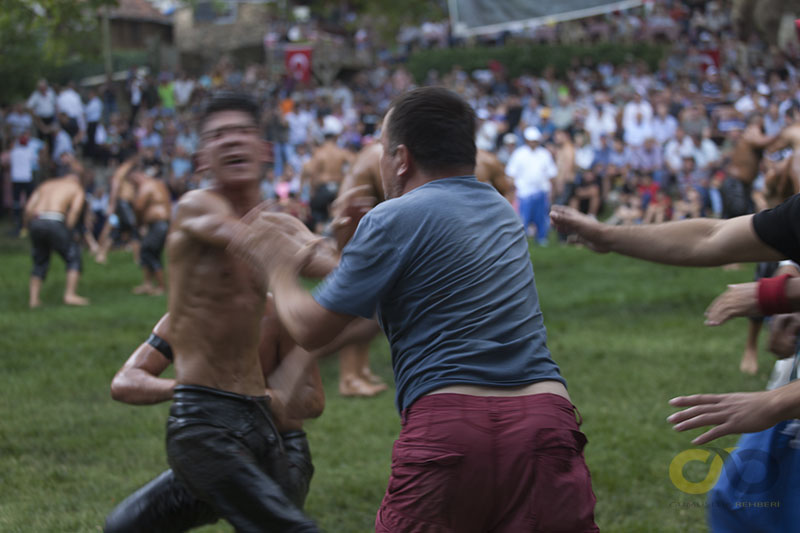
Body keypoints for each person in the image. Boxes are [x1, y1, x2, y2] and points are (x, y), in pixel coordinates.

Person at [234, 87, 598, 532]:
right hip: (546, 421)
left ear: (401, 158)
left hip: (451, 424)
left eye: (383, 151)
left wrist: (279, 268)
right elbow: (400, 298)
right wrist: (346, 252)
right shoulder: (500, 213)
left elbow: (311, 328)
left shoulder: (392, 217)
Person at [164, 91, 335, 532]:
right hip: (203, 420)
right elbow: (231, 232)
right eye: (218, 135)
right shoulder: (194, 207)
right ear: (201, 158)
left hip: (260, 421)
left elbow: (338, 267)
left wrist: (358, 239)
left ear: (264, 151)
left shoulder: (278, 224)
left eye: (242, 132)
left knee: (126, 525)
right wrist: (306, 249)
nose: (231, 141)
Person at [104, 300, 381, 532]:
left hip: (276, 456)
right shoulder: (187, 316)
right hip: (211, 451)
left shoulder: (278, 317)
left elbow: (312, 401)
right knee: (126, 525)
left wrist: (245, 394)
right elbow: (124, 382)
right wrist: (191, 388)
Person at [23, 153, 89, 308]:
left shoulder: (46, 184)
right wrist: (69, 230)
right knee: (73, 256)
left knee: (40, 259)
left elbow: (28, 209)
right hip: (56, 220)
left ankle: (34, 300)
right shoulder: (76, 187)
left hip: (37, 221)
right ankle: (70, 295)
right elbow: (74, 212)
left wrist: (26, 227)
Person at [505, 126, 557, 245]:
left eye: (535, 140)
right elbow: (511, 174)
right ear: (526, 140)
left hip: (541, 190)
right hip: (524, 192)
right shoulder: (519, 154)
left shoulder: (544, 154)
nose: (533, 143)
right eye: (531, 140)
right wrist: (512, 191)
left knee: (541, 218)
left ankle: (542, 238)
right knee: (523, 219)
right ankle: (521, 241)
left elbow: (551, 174)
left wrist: (553, 191)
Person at [303, 119, 354, 232]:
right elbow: (354, 162)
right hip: (338, 189)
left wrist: (312, 191)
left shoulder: (319, 152)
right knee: (337, 218)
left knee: (318, 219)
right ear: (335, 137)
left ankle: (321, 243)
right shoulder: (341, 152)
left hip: (323, 189)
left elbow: (313, 174)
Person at [129, 169, 171, 295]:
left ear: (138, 176)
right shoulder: (158, 184)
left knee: (149, 251)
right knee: (149, 251)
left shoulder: (147, 185)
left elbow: (139, 206)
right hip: (160, 224)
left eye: (133, 182)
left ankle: (161, 287)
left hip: (159, 224)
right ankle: (147, 284)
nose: (134, 185)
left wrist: (139, 223)